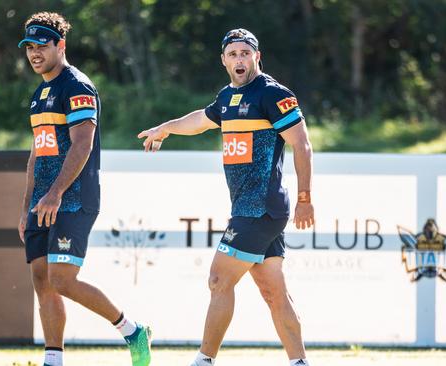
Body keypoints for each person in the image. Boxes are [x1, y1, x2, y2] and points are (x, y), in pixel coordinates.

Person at [138, 28, 314, 366]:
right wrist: (165, 128)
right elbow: (200, 122)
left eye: (245, 53)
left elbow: (302, 145)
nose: (239, 59)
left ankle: (204, 361)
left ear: (257, 57)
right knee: (274, 293)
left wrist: (305, 197)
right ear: (223, 60)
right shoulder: (226, 98)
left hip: (260, 207)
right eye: (233, 54)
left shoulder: (272, 94)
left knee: (219, 279)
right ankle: (299, 362)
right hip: (249, 208)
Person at [16, 12, 151, 366]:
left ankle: (131, 330)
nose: (34, 53)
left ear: (61, 45)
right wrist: (27, 205)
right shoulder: (38, 93)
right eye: (29, 46)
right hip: (42, 202)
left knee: (61, 279)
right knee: (42, 279)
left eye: (42, 45)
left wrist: (55, 193)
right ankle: (53, 359)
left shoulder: (76, 85)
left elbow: (82, 145)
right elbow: (36, 154)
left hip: (72, 198)